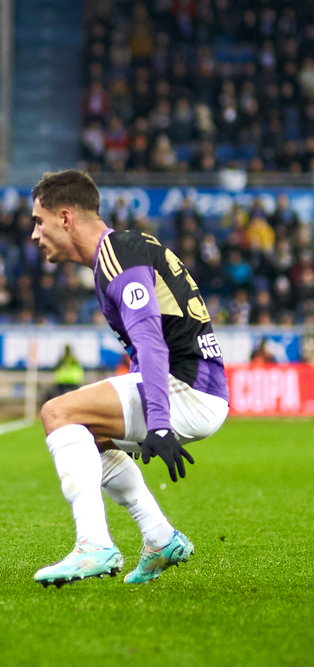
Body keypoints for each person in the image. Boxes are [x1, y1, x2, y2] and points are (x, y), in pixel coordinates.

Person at [29, 170, 228, 587]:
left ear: (65, 218)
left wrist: (156, 421)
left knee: (57, 412)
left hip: (187, 390)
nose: (34, 234)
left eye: (39, 221)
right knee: (89, 435)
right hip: (199, 388)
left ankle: (94, 544)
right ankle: (159, 537)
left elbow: (152, 340)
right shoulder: (123, 251)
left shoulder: (117, 253)